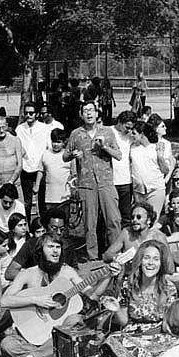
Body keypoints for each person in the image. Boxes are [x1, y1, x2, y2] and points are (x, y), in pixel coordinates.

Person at [0, 232, 117, 357]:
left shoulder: (68, 272)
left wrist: (108, 275)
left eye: (58, 247)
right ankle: (53, 353)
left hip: (59, 331)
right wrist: (36, 300)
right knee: (7, 345)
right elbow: (5, 301)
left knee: (74, 321)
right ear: (40, 250)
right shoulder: (27, 273)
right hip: (33, 332)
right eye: (50, 246)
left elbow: (93, 295)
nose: (55, 251)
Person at [63, 101, 122, 261]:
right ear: (81, 115)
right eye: (85, 111)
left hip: (106, 183)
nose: (88, 114)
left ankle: (114, 254)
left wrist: (104, 147)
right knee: (90, 224)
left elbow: (118, 155)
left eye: (91, 110)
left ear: (97, 113)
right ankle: (92, 257)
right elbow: (65, 155)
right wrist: (73, 155)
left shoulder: (107, 132)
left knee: (114, 220)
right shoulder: (76, 134)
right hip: (86, 184)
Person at [112, 240, 177, 331]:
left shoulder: (169, 288)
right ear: (140, 261)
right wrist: (117, 310)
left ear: (161, 263)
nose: (150, 262)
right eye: (146, 258)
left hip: (158, 335)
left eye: (156, 259)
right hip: (131, 334)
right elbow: (123, 321)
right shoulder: (127, 285)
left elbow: (166, 326)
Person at [5, 208, 78, 280]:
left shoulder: (68, 245)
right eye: (54, 228)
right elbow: (10, 272)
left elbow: (75, 271)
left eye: (62, 229)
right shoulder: (31, 244)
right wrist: (35, 279)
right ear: (45, 227)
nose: (59, 232)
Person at [103, 202, 173, 275]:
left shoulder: (158, 236)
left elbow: (170, 267)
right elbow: (107, 255)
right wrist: (120, 258)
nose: (135, 220)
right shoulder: (126, 233)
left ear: (148, 220)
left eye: (139, 217)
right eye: (133, 217)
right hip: (129, 277)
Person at [15, 102, 52, 223]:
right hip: (25, 168)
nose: (28, 115)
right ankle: (27, 230)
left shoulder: (45, 128)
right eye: (26, 113)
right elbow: (17, 147)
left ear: (36, 114)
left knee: (42, 202)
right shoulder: (20, 129)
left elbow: (49, 148)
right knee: (26, 203)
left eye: (31, 113)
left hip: (40, 169)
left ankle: (44, 228)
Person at [130, 121, 168, 217]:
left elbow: (165, 170)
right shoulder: (132, 148)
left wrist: (160, 157)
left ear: (142, 134)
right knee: (141, 219)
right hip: (139, 191)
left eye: (134, 133)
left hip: (155, 189)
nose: (131, 135)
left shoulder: (156, 147)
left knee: (152, 219)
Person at [34, 128, 73, 217]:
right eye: (54, 141)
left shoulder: (68, 156)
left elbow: (73, 174)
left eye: (59, 142)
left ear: (64, 143)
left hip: (64, 196)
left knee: (64, 219)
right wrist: (36, 186)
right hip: (50, 196)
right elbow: (40, 170)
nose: (55, 144)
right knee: (50, 219)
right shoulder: (46, 154)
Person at [0, 116, 24, 201]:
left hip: (14, 183)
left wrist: (11, 182)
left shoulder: (16, 141)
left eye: (3, 127)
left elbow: (20, 165)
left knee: (16, 211)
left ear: (6, 126)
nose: (1, 130)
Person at [111, 111, 136, 227]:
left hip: (126, 181)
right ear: (120, 122)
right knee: (111, 215)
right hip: (111, 181)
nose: (129, 130)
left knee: (126, 215)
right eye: (127, 127)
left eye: (131, 128)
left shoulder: (130, 137)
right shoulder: (109, 132)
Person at [148, 113, 176, 185]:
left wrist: (166, 179)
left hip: (166, 177)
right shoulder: (149, 144)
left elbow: (172, 162)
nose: (165, 128)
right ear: (156, 129)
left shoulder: (167, 143)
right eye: (162, 126)